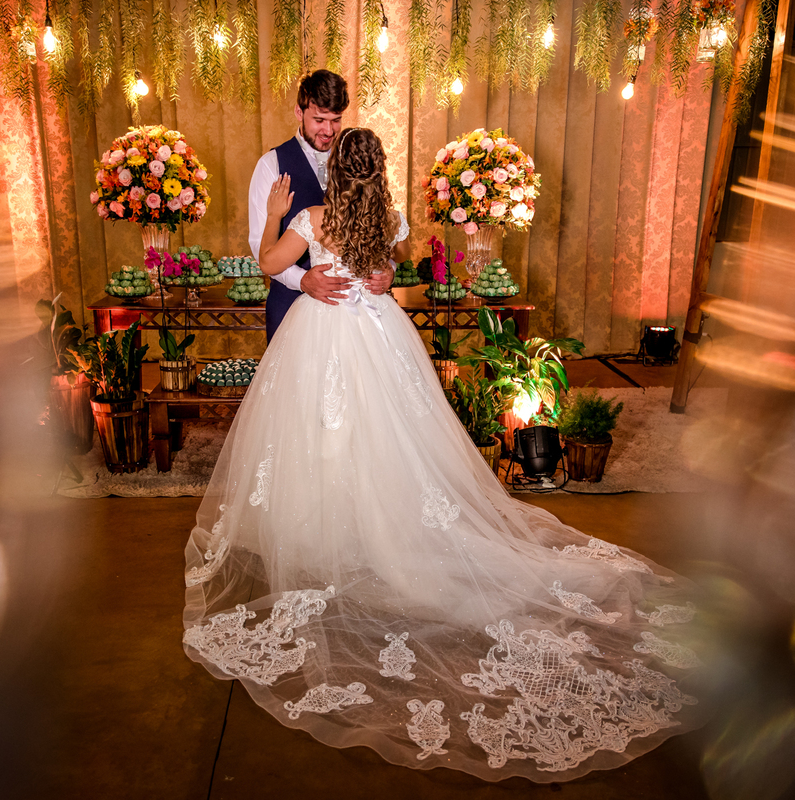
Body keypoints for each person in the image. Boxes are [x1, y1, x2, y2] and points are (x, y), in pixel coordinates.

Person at [183, 128, 705, 783]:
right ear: (378, 173)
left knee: (324, 435)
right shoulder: (389, 218)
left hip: (320, 339)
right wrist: (371, 272)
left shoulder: (312, 217)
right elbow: (387, 271)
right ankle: (380, 523)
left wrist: (272, 216)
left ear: (334, 172)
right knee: (393, 437)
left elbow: (267, 264)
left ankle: (333, 533)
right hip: (380, 334)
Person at [248, 70, 394, 341]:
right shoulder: (271, 165)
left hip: (359, 318)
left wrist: (389, 269)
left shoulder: (359, 158)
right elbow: (259, 245)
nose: (328, 131)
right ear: (299, 112)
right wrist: (301, 280)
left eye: (335, 120)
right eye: (319, 120)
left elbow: (381, 226)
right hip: (290, 306)